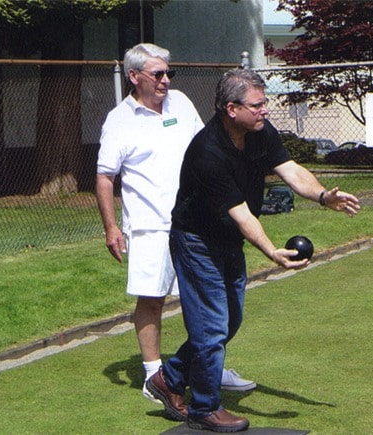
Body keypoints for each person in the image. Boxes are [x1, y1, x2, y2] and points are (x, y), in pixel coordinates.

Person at [146, 68, 360, 432]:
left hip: (228, 238)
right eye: (257, 105)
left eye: (264, 104)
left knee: (230, 321)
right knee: (212, 325)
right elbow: (243, 215)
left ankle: (169, 377)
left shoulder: (259, 133)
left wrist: (324, 196)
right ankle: (205, 408)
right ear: (232, 108)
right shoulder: (207, 151)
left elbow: (291, 170)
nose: (265, 111)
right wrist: (272, 253)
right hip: (197, 240)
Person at [95, 44, 256, 405]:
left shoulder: (181, 102)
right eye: (158, 74)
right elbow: (105, 177)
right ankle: (155, 375)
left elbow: (207, 145)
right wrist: (111, 228)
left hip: (195, 223)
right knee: (151, 299)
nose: (166, 80)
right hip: (150, 225)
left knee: (206, 304)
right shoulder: (118, 120)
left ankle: (205, 370)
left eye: (169, 73)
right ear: (134, 77)